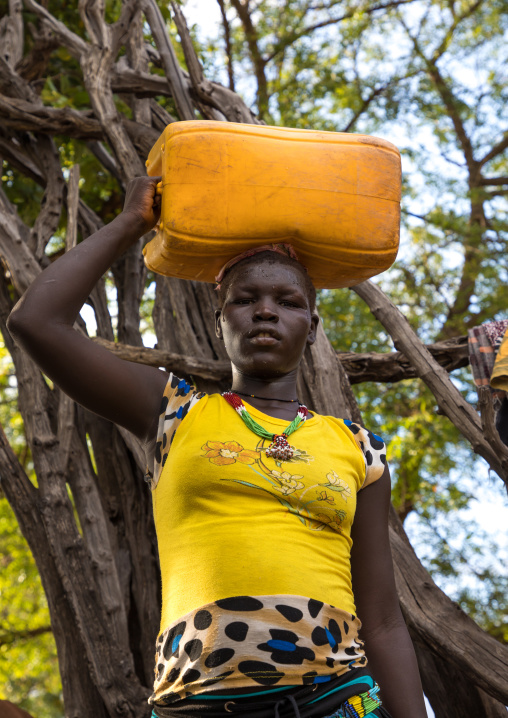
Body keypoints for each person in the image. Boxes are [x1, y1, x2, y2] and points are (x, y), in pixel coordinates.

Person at [7, 176, 428, 718]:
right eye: (245, 299)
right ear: (220, 318)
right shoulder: (176, 415)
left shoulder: (359, 450)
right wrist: (131, 221)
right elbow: (37, 322)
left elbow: (385, 621)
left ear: (312, 324)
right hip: (194, 705)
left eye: (288, 301)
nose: (266, 311)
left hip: (334, 700)